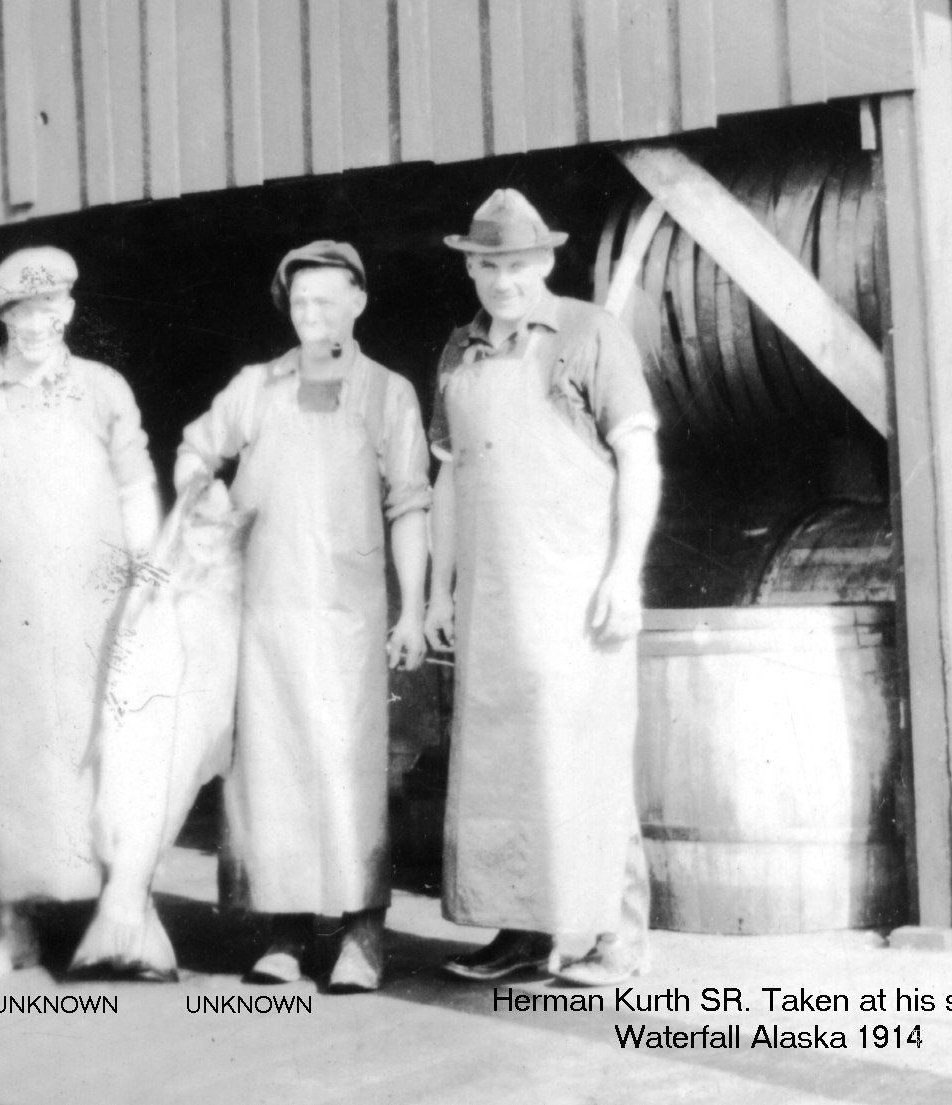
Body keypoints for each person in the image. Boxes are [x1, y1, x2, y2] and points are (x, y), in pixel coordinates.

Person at [175, 241, 431, 993]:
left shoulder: (389, 393)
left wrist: (413, 609)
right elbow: (195, 451)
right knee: (269, 773)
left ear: (359, 302)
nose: (313, 315)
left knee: (351, 771)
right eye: (300, 304)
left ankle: (362, 935)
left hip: (350, 621)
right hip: (265, 618)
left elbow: (410, 499)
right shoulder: (256, 387)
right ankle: (282, 934)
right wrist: (206, 499)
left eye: (327, 301)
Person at [424, 190, 661, 987]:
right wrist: (435, 596)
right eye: (487, 265)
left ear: (546, 262)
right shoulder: (458, 352)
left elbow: (639, 458)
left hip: (574, 593)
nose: (502, 280)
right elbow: (449, 484)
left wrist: (624, 573)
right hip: (492, 600)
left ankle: (613, 941)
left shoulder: (591, 334)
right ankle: (523, 931)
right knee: (498, 765)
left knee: (586, 758)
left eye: (517, 265)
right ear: (470, 267)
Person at [0, 246, 160, 979]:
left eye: (48, 307)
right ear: (2, 315)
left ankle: (128, 921)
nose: (35, 322)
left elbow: (135, 488)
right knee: (13, 765)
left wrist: (153, 586)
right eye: (20, 310)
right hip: (8, 620)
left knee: (116, 762)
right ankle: (15, 929)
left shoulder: (103, 388)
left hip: (102, 613)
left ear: (70, 310)